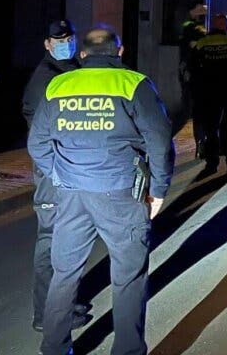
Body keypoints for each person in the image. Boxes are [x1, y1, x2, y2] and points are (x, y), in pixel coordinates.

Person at [28, 26, 174, 355]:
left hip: (71, 195)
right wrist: (160, 190)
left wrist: (59, 175)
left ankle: (53, 348)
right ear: (119, 52)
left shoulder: (59, 85)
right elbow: (160, 140)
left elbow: (37, 143)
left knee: (64, 273)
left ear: (82, 54)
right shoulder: (133, 84)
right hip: (121, 193)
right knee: (127, 275)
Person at [20, 20, 89, 333]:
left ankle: (64, 301)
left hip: (70, 166)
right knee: (49, 239)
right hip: (52, 168)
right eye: (58, 39)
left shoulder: (70, 68)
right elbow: (39, 132)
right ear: (47, 44)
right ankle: (45, 313)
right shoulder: (44, 80)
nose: (65, 42)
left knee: (67, 237)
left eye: (68, 37)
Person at [190, 13, 227, 175]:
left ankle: (212, 163)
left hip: (209, 94)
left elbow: (193, 68)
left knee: (211, 130)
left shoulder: (202, 43)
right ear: (226, 26)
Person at [178, 1, 209, 155]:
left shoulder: (197, 26)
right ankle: (200, 143)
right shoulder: (190, 26)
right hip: (194, 73)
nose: (204, 12)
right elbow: (190, 47)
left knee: (199, 111)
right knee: (195, 110)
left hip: (198, 73)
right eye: (201, 9)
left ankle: (202, 142)